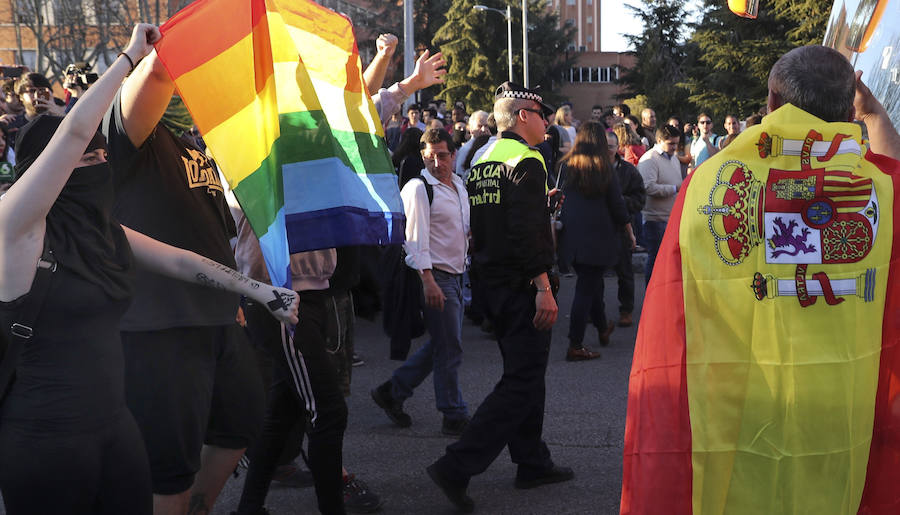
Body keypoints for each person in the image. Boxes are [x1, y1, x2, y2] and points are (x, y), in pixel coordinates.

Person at [0, 25, 298, 515]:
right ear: (45, 167)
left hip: (113, 427)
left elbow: (181, 259)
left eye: (102, 154)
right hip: (44, 433)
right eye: (86, 156)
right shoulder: (17, 231)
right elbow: (76, 129)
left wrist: (261, 293)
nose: (99, 161)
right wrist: (128, 57)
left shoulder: (104, 230)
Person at [622, 45, 900, 514]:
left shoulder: (707, 186)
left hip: (738, 404)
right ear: (849, 104)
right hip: (840, 404)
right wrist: (873, 115)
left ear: (771, 103)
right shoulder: (882, 192)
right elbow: (893, 167)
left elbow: (674, 303)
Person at [100, 40, 275, 514]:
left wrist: (234, 297)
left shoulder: (193, 146)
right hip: (159, 328)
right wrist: (201, 34)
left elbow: (212, 231)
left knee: (241, 421)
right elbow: (158, 72)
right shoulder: (125, 137)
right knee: (168, 470)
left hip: (217, 318)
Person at [427, 82, 571, 513]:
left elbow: (496, 217)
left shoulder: (484, 156)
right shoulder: (527, 159)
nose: (547, 121)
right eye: (541, 113)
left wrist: (537, 204)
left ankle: (532, 461)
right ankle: (456, 466)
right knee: (521, 382)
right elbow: (527, 235)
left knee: (525, 375)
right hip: (521, 284)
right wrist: (543, 287)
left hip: (489, 281)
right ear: (523, 116)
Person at [372, 128, 471, 436]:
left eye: (442, 155)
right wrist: (428, 280)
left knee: (442, 343)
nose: (437, 162)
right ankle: (452, 412)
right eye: (430, 156)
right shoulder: (418, 188)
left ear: (454, 156)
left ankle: (393, 391)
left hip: (457, 274)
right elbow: (413, 240)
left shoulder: (458, 185)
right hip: (435, 276)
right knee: (449, 346)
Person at [557, 121, 634, 361]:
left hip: (571, 236)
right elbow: (617, 205)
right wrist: (629, 230)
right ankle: (575, 343)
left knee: (588, 284)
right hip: (598, 237)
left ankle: (602, 328)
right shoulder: (604, 168)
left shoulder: (567, 165)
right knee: (586, 288)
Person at [607, 131, 645, 328]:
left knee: (625, 272)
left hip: (622, 227)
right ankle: (593, 310)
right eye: (604, 146)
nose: (607, 150)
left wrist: (621, 202)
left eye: (611, 146)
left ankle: (626, 310)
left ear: (617, 148)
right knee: (594, 275)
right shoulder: (592, 169)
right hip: (599, 229)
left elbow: (640, 197)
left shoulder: (628, 171)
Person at [637, 125, 682, 284]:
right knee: (656, 260)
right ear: (659, 140)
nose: (674, 147)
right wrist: (674, 188)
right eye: (671, 144)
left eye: (676, 143)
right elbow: (647, 187)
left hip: (670, 218)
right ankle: (651, 294)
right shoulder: (649, 160)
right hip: (655, 220)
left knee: (668, 262)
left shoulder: (673, 158)